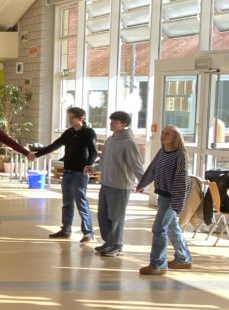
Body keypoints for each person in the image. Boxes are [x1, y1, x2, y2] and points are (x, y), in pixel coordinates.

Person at [32, 106, 98, 243]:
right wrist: (36, 155)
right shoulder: (69, 133)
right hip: (68, 171)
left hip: (80, 172)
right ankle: (66, 230)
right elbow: (54, 145)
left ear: (81, 118)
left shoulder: (89, 132)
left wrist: (89, 165)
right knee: (67, 202)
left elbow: (93, 151)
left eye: (72, 117)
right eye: (69, 117)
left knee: (81, 202)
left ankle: (88, 233)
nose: (70, 120)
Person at [136, 125, 193, 276]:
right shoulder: (162, 152)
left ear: (175, 137)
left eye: (167, 134)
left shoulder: (180, 155)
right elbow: (152, 169)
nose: (163, 136)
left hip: (172, 197)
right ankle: (183, 259)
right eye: (162, 133)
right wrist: (142, 184)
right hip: (162, 195)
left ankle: (158, 265)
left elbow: (181, 180)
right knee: (172, 227)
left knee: (159, 228)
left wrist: (177, 203)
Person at [92, 111, 145, 257]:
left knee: (116, 217)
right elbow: (104, 161)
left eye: (114, 122)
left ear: (123, 124)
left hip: (120, 185)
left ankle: (117, 245)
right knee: (103, 215)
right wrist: (93, 168)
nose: (111, 124)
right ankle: (109, 242)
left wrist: (143, 182)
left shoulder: (129, 142)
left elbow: (136, 164)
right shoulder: (110, 140)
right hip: (106, 183)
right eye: (111, 121)